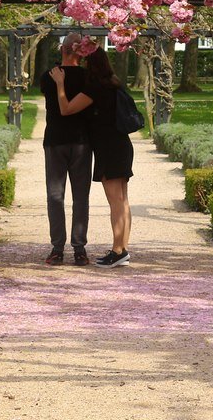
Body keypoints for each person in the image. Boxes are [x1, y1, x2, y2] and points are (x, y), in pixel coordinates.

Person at [51, 47, 134, 268]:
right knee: (122, 200)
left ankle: (118, 251)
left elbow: (66, 109)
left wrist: (60, 83)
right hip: (121, 145)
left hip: (109, 148)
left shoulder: (96, 88)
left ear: (91, 64)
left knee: (115, 201)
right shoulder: (113, 82)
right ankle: (122, 249)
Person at [38, 33, 94, 266]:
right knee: (81, 196)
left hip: (55, 141)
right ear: (81, 52)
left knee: (55, 195)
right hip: (82, 142)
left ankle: (57, 248)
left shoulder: (48, 77)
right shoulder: (89, 78)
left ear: (62, 49)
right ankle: (79, 249)